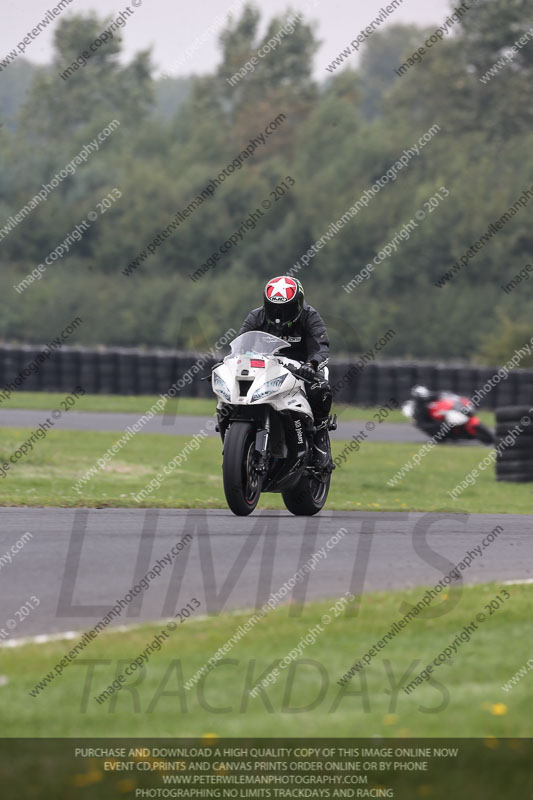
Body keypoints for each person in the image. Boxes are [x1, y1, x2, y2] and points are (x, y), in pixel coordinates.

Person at [239, 276, 333, 468]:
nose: (279, 313)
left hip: (301, 368)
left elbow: (322, 347)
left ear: (298, 304)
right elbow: (241, 344)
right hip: (265, 367)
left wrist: (312, 365)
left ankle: (320, 439)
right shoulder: (256, 316)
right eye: (273, 307)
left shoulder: (310, 316)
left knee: (320, 388)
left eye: (286, 308)